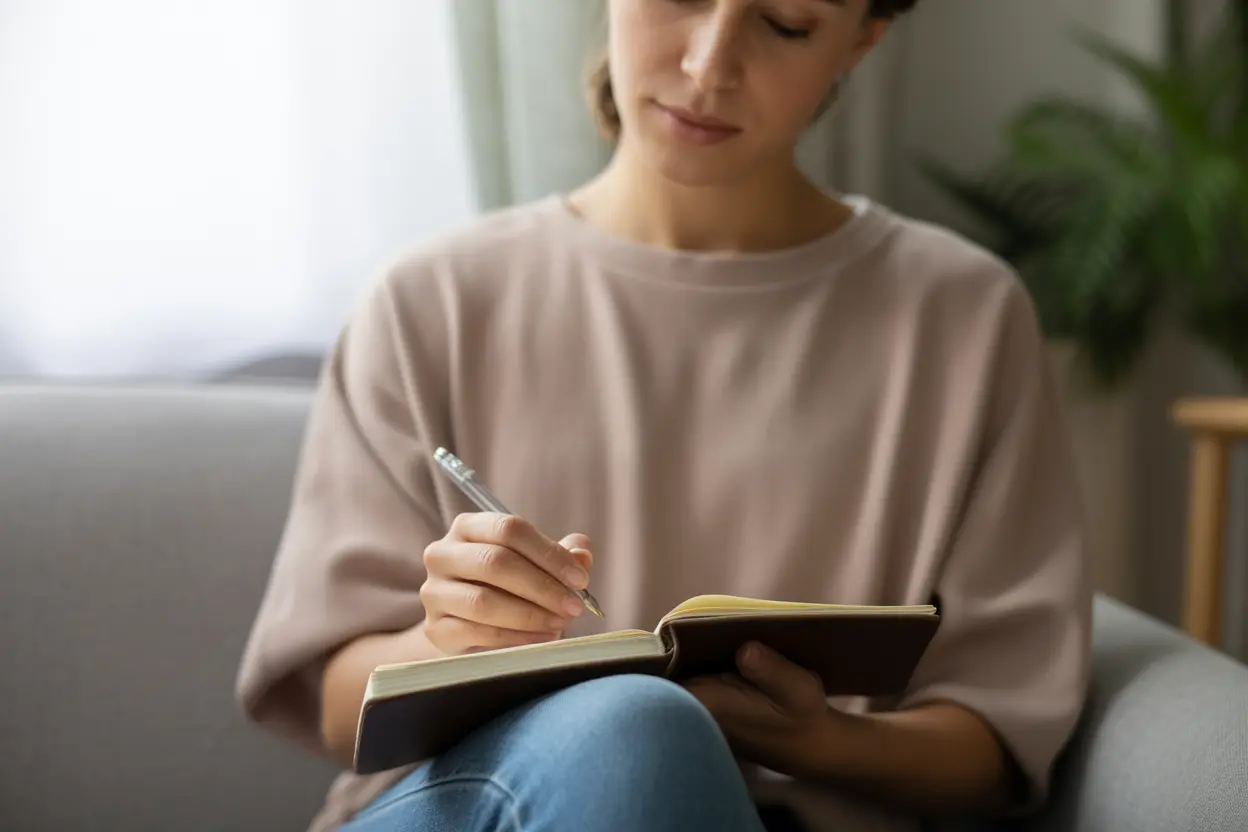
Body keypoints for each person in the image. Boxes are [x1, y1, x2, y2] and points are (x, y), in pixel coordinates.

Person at [236, 0, 1092, 830]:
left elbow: (999, 748)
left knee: (645, 735)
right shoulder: (431, 301)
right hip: (476, 811)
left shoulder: (964, 318)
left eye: (785, 24)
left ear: (861, 40)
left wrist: (824, 740)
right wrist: (447, 639)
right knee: (634, 730)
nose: (708, 65)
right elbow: (340, 709)